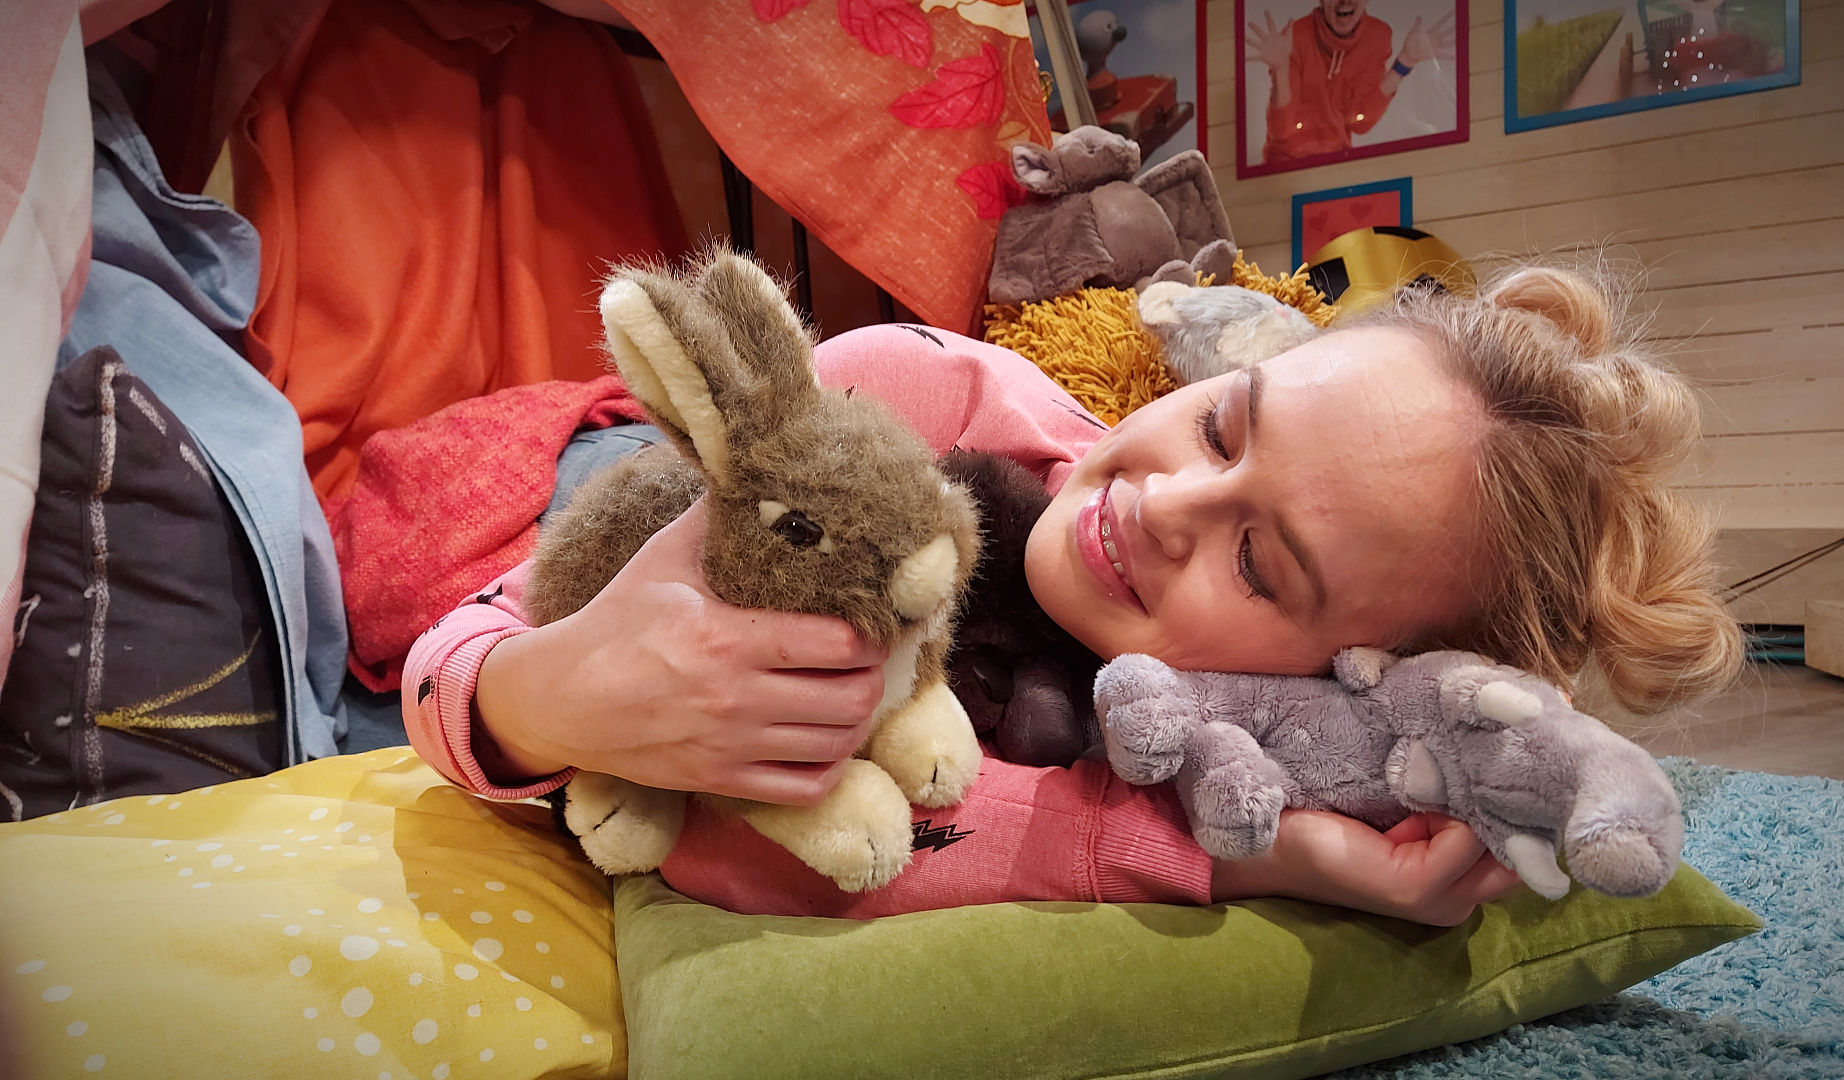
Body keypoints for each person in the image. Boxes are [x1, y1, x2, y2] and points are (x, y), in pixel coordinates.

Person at [402, 261, 1745, 922]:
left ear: (1353, 677)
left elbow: (882, 855)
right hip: (604, 486)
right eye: (1221, 426)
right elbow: (453, 655)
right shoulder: (903, 402)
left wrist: (1257, 854)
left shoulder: (1239, 742)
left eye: (1259, 564)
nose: (1163, 504)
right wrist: (549, 696)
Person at [1247, 1, 1456, 164]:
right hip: (1286, 166)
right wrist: (1281, 69)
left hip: (1337, 164)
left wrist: (1405, 62)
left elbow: (1361, 122)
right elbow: (1282, 131)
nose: (1344, 0)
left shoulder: (1377, 35)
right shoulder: (1295, 37)